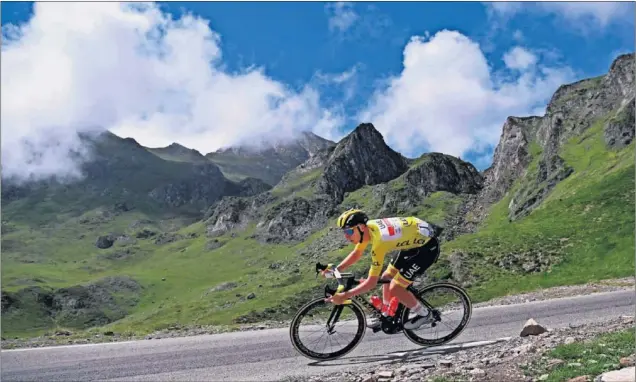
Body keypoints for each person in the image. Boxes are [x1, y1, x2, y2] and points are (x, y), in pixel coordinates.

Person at [322, 208, 441, 330]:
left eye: (349, 232)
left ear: (361, 227)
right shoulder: (368, 229)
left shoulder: (380, 241)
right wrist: (337, 269)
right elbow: (356, 253)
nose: (346, 236)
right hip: (412, 243)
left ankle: (424, 314)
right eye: (344, 232)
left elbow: (371, 283)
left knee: (395, 287)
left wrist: (345, 295)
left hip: (427, 249)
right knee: (386, 277)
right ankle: (387, 314)